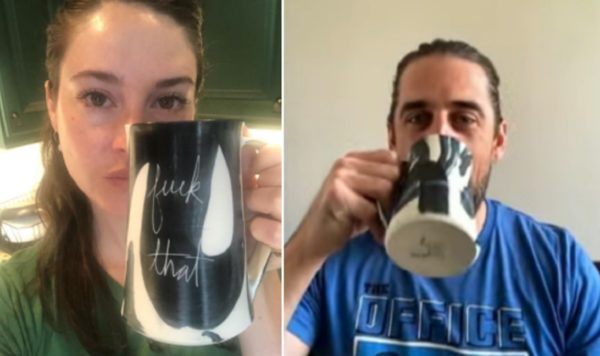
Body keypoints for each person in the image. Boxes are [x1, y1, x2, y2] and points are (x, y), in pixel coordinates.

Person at [284, 39, 600, 355]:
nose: (440, 136)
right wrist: (306, 248)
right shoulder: (331, 257)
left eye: (465, 119)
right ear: (393, 136)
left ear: (497, 141)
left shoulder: (559, 264)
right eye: (417, 118)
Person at [0, 1, 282, 355]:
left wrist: (255, 260)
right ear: (53, 105)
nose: (129, 144)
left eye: (167, 101)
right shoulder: (13, 302)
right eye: (97, 97)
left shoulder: (263, 266)